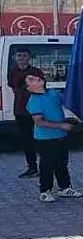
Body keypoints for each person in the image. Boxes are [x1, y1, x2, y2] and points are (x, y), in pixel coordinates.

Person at [25, 71, 81, 202]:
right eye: (31, 79)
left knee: (62, 163)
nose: (37, 79)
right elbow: (39, 122)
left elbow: (68, 99)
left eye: (36, 77)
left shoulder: (53, 93)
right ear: (28, 87)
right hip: (45, 139)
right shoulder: (34, 101)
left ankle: (65, 188)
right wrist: (61, 125)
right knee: (47, 165)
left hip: (60, 136)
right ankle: (45, 191)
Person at [8, 46, 44, 179]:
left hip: (36, 110)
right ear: (15, 58)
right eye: (19, 56)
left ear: (29, 57)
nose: (21, 58)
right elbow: (13, 86)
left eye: (24, 56)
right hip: (20, 110)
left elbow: (40, 88)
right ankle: (32, 167)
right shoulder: (13, 72)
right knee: (27, 140)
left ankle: (45, 166)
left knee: (41, 138)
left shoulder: (36, 72)